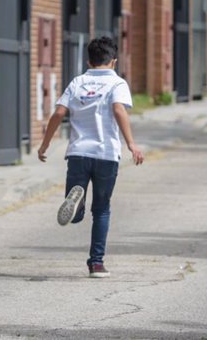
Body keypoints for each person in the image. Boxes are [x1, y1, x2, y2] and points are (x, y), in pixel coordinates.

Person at [37, 36, 144, 278]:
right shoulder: (117, 84)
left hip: (78, 153)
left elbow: (59, 113)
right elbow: (118, 110)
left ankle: (76, 205)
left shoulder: (77, 82)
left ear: (89, 61)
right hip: (106, 154)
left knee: (77, 212)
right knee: (102, 210)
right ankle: (96, 263)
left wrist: (45, 144)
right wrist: (132, 144)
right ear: (113, 62)